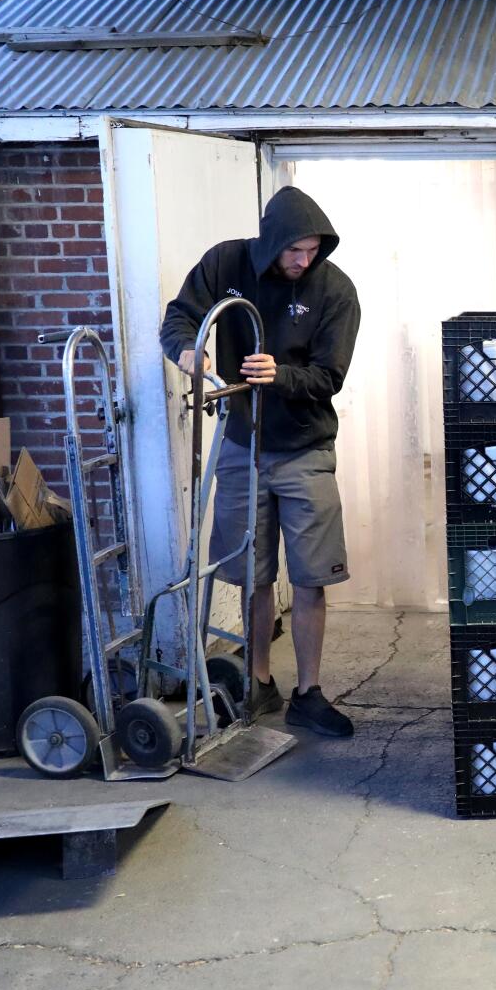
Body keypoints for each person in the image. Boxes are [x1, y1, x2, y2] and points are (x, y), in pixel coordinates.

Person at [160, 186, 362, 738]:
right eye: (296, 249)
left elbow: (330, 377)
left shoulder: (334, 290)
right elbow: (179, 318)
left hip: (304, 450)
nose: (305, 260)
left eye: (314, 249)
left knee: (311, 578)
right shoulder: (226, 263)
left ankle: (309, 693)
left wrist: (282, 375)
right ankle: (257, 684)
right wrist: (188, 351)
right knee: (252, 575)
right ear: (272, 239)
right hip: (240, 446)